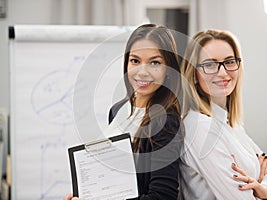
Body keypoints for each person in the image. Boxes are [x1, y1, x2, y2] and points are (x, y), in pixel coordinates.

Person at [65, 23, 184, 200]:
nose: (142, 72)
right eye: (135, 60)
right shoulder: (118, 109)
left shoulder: (166, 122)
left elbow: (163, 196)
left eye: (154, 62)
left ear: (168, 69)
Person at [179, 29, 267, 199]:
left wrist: (265, 189)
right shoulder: (201, 128)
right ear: (194, 73)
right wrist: (260, 182)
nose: (223, 72)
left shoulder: (230, 124)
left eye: (229, 61)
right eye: (210, 64)